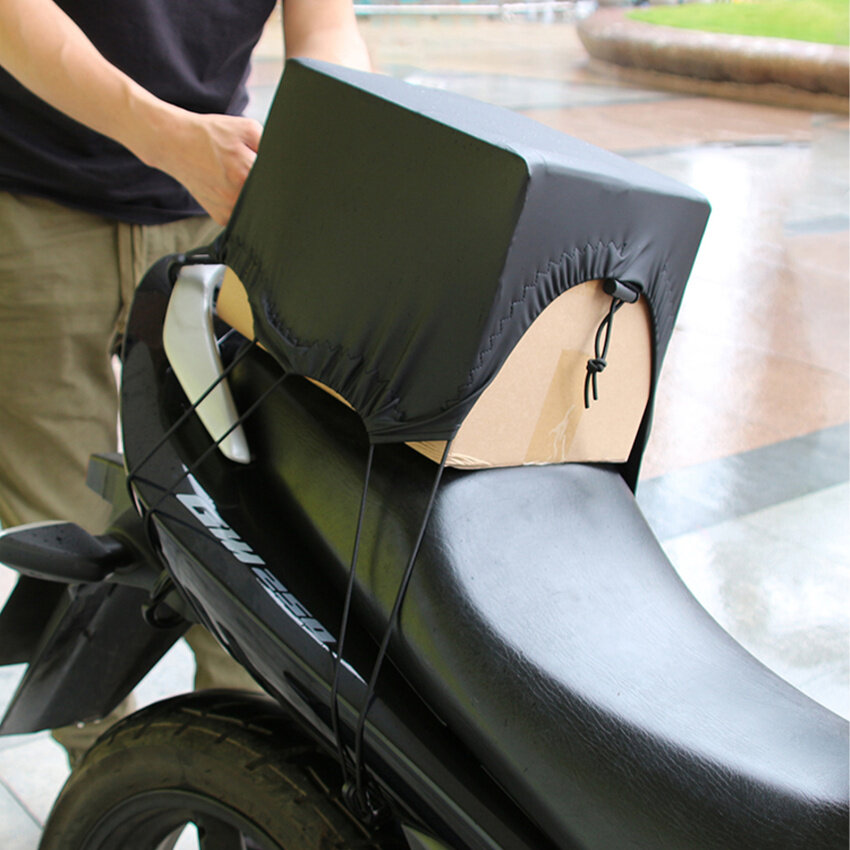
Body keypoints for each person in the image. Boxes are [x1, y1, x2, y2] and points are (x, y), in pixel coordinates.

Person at [0, 0, 371, 765]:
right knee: (68, 537)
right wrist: (168, 138)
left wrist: (331, 149)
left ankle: (240, 783)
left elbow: (327, 24)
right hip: (29, 205)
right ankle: (106, 782)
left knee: (247, 529)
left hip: (213, 211)